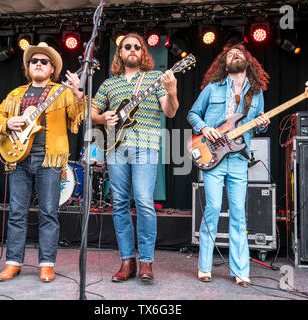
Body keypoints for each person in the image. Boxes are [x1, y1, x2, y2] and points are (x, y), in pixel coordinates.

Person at [0, 42, 85, 282]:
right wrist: (6, 123)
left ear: (52, 68)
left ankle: (46, 264)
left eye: (44, 61)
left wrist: (78, 94)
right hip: (19, 159)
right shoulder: (16, 94)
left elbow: (77, 118)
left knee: (48, 213)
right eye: (35, 61)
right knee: (17, 213)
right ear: (28, 67)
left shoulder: (61, 92)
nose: (39, 64)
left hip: (49, 160)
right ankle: (13, 262)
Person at [91, 33, 179, 283]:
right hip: (116, 148)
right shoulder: (109, 84)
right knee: (119, 203)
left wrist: (172, 91)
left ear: (143, 53)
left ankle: (146, 262)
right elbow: (91, 113)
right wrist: (101, 118)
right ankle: (127, 261)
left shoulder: (154, 78)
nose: (131, 49)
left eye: (137, 47)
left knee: (143, 201)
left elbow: (170, 112)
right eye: (126, 46)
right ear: (119, 53)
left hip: (146, 145)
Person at [187, 43, 270, 287]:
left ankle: (241, 271)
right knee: (212, 208)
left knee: (238, 215)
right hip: (212, 155)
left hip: (237, 158)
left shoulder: (256, 93)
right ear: (224, 64)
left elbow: (257, 125)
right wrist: (205, 128)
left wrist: (263, 123)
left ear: (248, 61)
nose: (234, 55)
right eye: (230, 54)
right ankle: (204, 266)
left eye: (239, 53)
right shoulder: (212, 88)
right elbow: (193, 113)